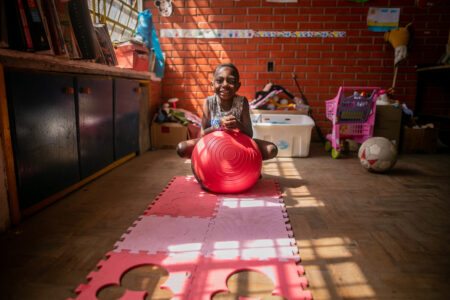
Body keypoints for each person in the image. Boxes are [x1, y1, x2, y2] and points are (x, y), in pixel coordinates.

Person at [176, 63, 278, 160]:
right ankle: (201, 167)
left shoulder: (242, 102)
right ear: (212, 84)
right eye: (219, 81)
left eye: (231, 81)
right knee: (182, 148)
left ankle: (251, 166)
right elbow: (203, 133)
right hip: (213, 144)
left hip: (238, 144)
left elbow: (249, 133)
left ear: (238, 86)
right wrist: (218, 125)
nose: (225, 85)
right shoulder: (209, 102)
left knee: (271, 149)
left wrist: (237, 124)